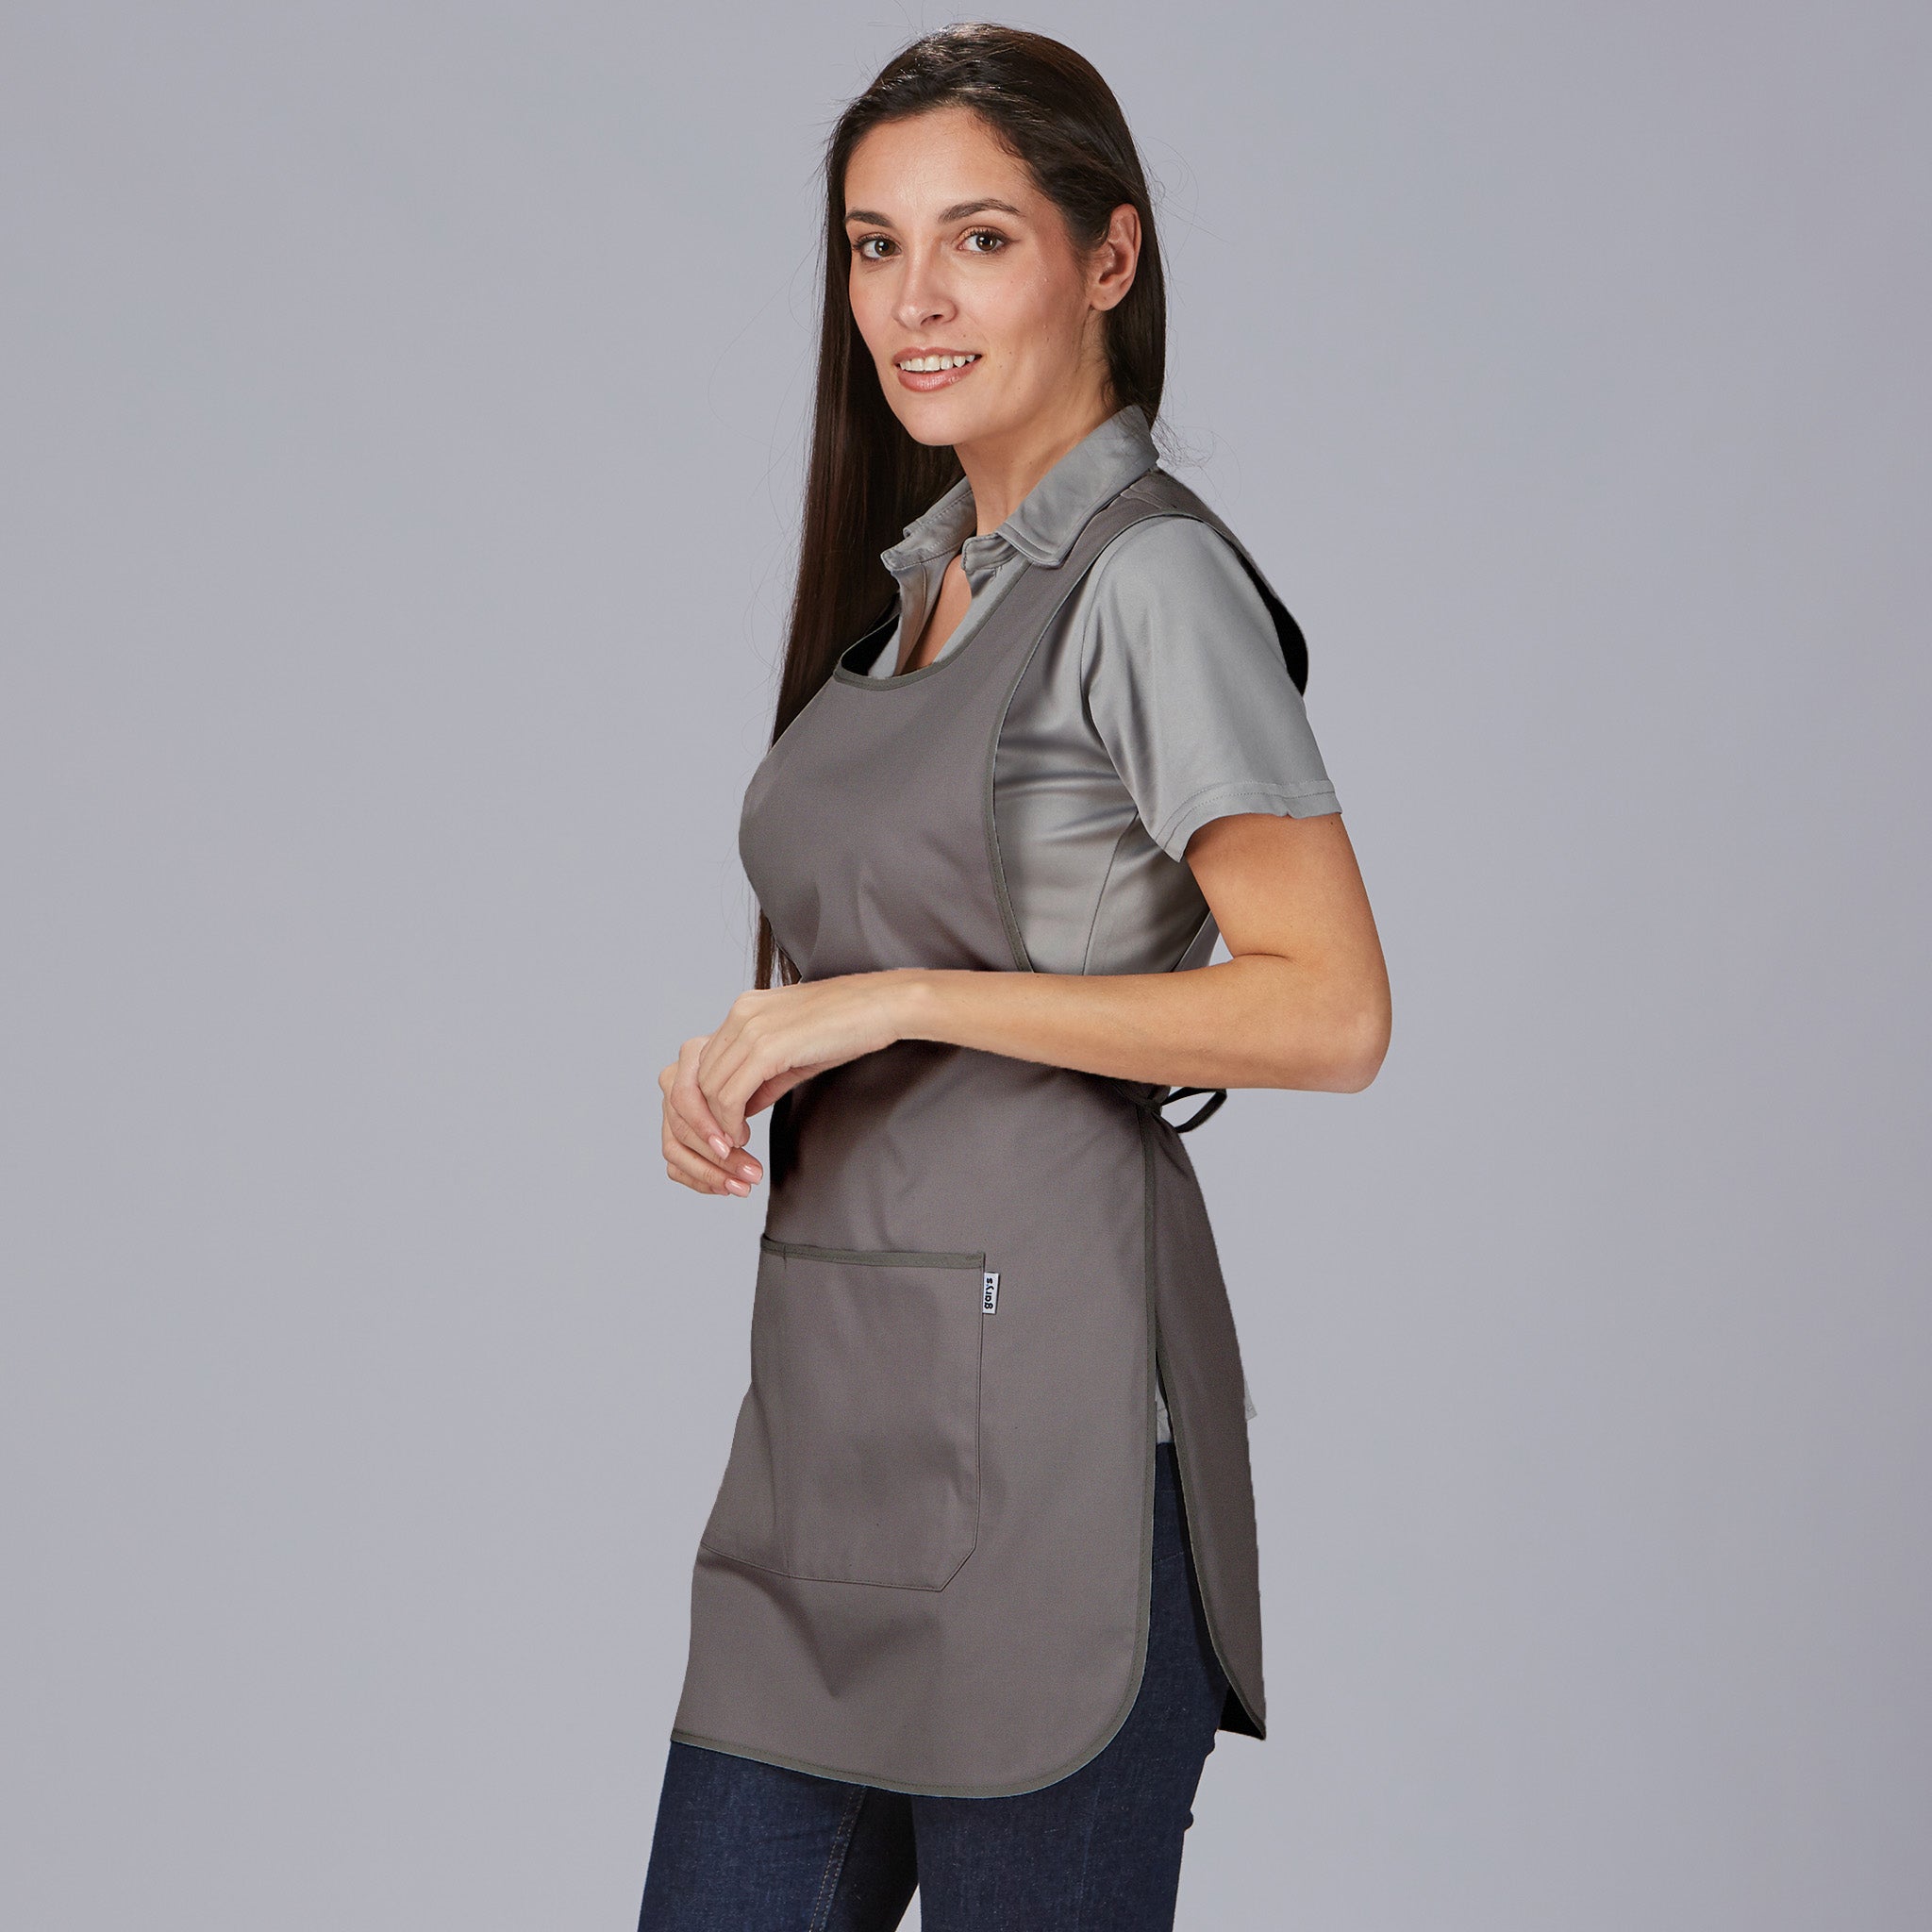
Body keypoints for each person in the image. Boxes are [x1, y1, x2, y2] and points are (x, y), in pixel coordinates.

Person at [639, 23, 1390, 1931]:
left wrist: (899, 998)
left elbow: (1327, 1007)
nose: (914, 300)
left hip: (1052, 1446)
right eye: (873, 247)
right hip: (828, 1438)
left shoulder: (1147, 580)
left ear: (1106, 258)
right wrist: (745, 1051)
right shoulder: (919, 586)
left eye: (978, 238)